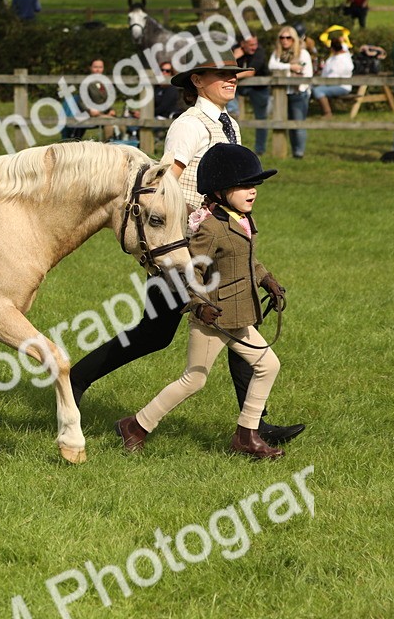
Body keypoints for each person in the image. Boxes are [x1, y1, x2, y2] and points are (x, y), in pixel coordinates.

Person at [69, 62, 305, 447]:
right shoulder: (190, 125)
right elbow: (165, 184)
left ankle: (253, 425)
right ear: (197, 81)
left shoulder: (228, 123)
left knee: (239, 322)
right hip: (187, 248)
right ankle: (78, 381)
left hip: (219, 243)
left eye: (235, 74)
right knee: (153, 335)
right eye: (220, 74)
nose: (232, 79)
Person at [115, 143, 286, 460]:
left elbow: (246, 260)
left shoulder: (238, 218)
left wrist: (267, 279)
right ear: (220, 190)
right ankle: (135, 426)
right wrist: (198, 305)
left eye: (255, 185)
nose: (253, 192)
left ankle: (246, 435)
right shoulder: (209, 228)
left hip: (237, 314)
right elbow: (189, 273)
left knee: (268, 365)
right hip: (214, 317)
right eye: (245, 185)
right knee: (193, 380)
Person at [268, 25, 313, 158]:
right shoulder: (277, 53)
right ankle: (283, 151)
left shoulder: (303, 53)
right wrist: (290, 67)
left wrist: (287, 71)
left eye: (288, 37)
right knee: (281, 123)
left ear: (294, 39)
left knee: (298, 124)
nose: (285, 40)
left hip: (299, 92)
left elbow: (307, 74)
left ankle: (298, 153)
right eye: (282, 37)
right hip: (282, 93)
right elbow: (272, 66)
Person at [61, 59, 116, 141]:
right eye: (95, 67)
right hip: (89, 114)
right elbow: (82, 101)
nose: (98, 69)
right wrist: (90, 110)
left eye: (100, 67)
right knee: (109, 121)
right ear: (90, 68)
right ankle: (108, 146)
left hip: (104, 113)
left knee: (122, 122)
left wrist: (111, 109)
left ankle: (123, 144)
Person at [313, 38, 355, 119]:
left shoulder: (344, 59)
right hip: (330, 84)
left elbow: (333, 75)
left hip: (342, 86)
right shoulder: (333, 58)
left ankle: (327, 113)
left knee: (318, 90)